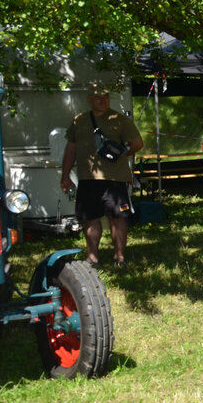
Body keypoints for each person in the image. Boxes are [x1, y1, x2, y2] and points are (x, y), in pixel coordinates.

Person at [60, 81, 144, 269]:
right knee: (89, 218)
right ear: (89, 99)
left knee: (118, 218)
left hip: (115, 180)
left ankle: (119, 257)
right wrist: (65, 176)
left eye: (105, 96)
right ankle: (92, 257)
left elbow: (137, 143)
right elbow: (70, 149)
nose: (102, 100)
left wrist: (122, 153)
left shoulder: (120, 119)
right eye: (98, 97)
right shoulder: (79, 121)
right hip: (88, 179)